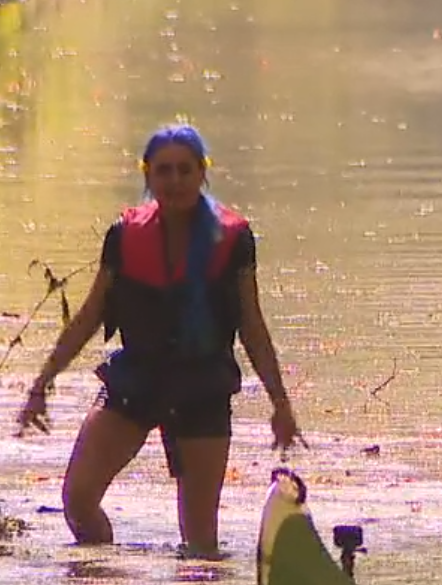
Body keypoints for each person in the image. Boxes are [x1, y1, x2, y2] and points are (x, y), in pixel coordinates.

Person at [16, 124, 303, 555]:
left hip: (202, 387)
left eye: (185, 170)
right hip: (137, 381)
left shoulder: (234, 239)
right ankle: (103, 575)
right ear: (147, 176)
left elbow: (252, 327)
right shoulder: (124, 236)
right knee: (77, 501)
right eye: (164, 171)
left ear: (202, 175)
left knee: (201, 543)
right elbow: (91, 315)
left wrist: (280, 403)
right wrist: (42, 384)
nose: (175, 181)